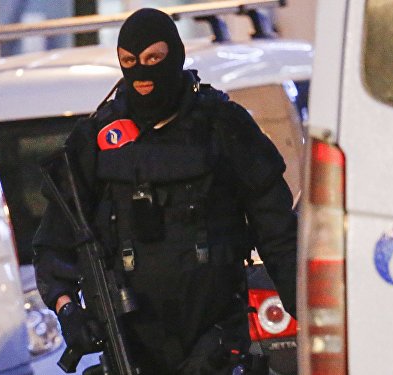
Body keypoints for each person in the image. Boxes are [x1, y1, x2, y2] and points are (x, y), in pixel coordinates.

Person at [32, 8, 297, 374]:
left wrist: (313, 313)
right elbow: (55, 241)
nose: (142, 72)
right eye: (129, 61)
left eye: (154, 58)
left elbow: (280, 234)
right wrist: (67, 310)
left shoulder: (222, 126)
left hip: (215, 337)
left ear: (176, 54)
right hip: (130, 345)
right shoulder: (95, 140)